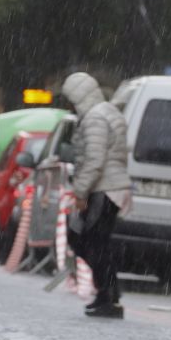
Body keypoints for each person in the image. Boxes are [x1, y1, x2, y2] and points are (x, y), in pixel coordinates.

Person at [61, 71, 132, 320]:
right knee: (96, 242)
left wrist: (80, 191)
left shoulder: (94, 118)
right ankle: (108, 294)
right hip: (111, 188)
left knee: (88, 241)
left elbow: (94, 159)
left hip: (103, 188)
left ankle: (108, 294)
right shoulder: (107, 111)